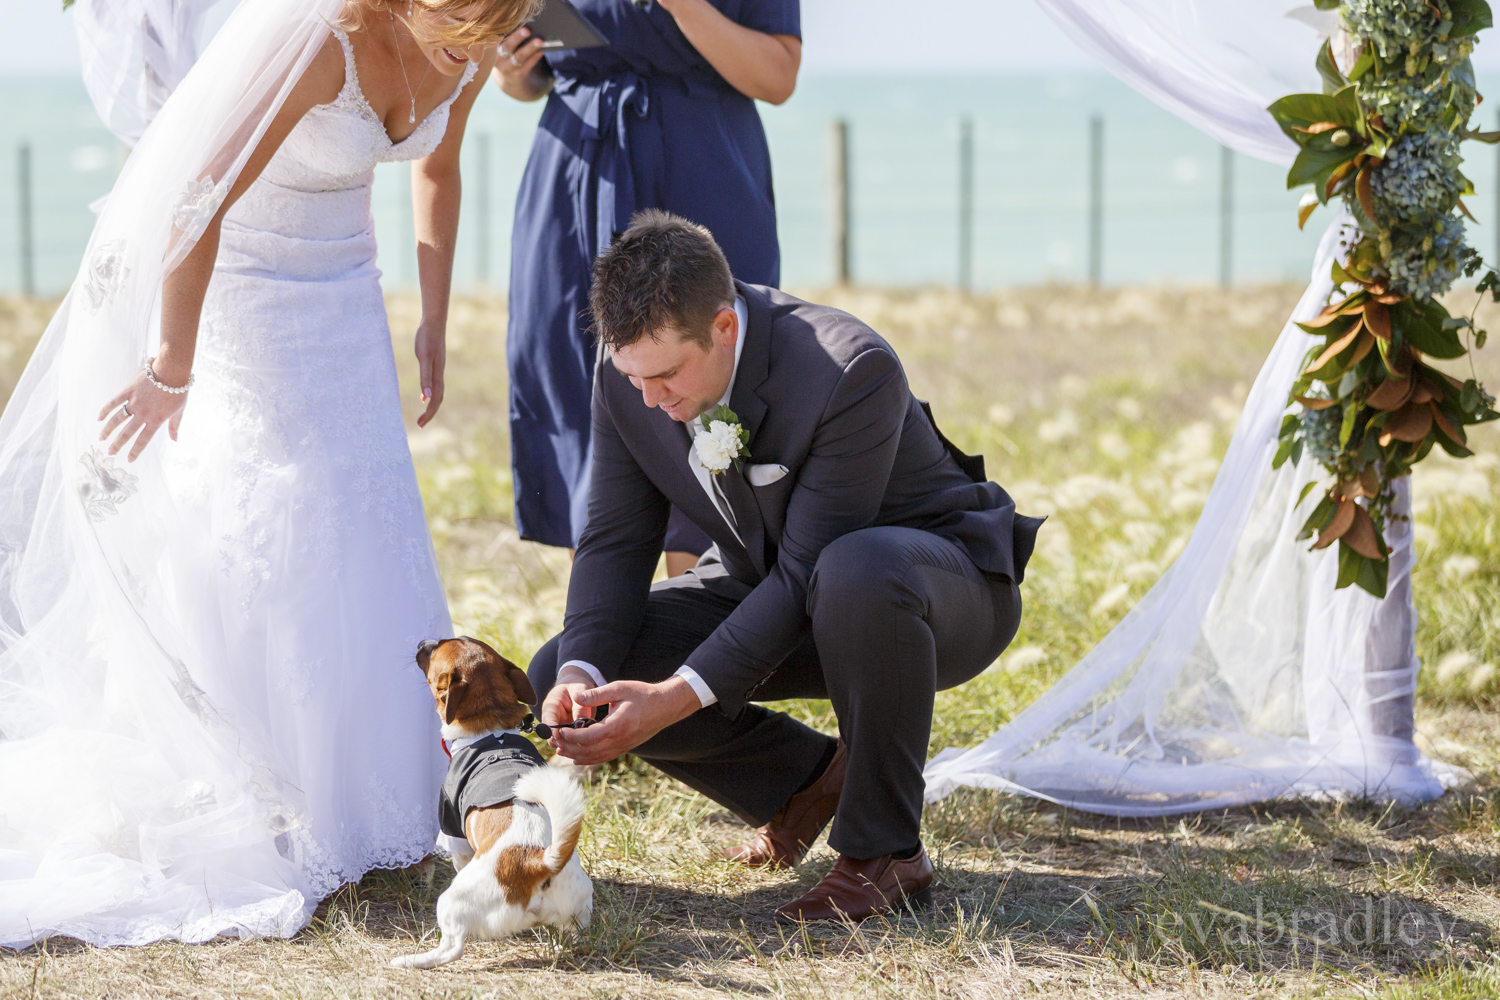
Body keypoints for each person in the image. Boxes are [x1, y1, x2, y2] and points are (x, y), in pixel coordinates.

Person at [0, 0, 527, 948]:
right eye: (455, 24)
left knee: (368, 526)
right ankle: (265, 787)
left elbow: (439, 165)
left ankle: (383, 795)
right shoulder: (322, 36)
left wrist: (434, 317)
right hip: (242, 292)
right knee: (284, 524)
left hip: (347, 296)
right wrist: (171, 363)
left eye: (486, 29)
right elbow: (197, 196)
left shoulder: (479, 33)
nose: (469, 49)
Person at [527, 210, 1042, 921]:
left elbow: (808, 572)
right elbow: (615, 537)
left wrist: (674, 698)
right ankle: (802, 784)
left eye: (668, 374)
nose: (651, 399)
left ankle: (885, 852)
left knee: (857, 568)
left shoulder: (848, 369)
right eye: (633, 375)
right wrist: (581, 675)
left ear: (726, 328)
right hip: (775, 583)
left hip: (929, 590)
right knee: (569, 663)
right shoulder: (633, 377)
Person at [493, 0, 801, 576]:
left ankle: (698, 624)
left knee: (708, 376)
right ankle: (599, 630)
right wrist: (516, 72)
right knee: (572, 370)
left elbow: (779, 75)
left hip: (705, 167)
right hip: (575, 167)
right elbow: (530, 72)